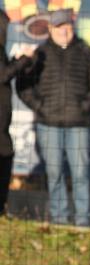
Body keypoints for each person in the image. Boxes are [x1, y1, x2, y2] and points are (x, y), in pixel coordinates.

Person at [16, 9, 90, 227]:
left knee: (80, 173)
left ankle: (83, 220)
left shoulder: (86, 52)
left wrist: (84, 108)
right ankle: (59, 218)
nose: (63, 31)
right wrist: (41, 107)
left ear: (72, 26)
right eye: (58, 27)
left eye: (67, 26)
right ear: (50, 29)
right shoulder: (40, 53)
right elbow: (23, 86)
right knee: (54, 172)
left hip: (78, 124)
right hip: (49, 124)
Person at [0, 10, 34, 216]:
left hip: (3, 123)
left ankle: (2, 208)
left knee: (6, 154)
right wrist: (22, 60)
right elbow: (2, 74)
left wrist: (16, 61)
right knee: (4, 155)